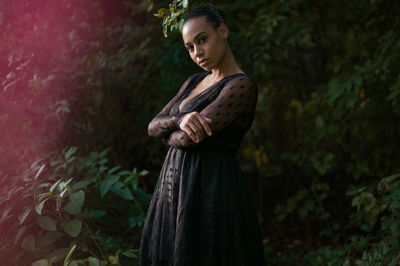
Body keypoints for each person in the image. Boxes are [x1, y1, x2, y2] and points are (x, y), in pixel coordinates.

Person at [139, 4, 266, 266]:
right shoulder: (194, 81)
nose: (197, 52)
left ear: (223, 31)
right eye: (190, 47)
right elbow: (153, 125)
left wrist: (168, 131)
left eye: (202, 40)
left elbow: (187, 140)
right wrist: (180, 119)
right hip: (173, 187)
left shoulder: (241, 86)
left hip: (211, 190)